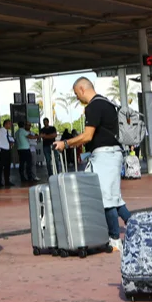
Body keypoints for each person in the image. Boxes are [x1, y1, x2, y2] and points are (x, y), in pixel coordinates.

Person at [54, 78, 132, 251]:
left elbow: (87, 136)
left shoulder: (94, 106)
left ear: (82, 89)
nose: (77, 97)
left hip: (105, 156)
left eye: (76, 94)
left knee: (106, 199)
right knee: (115, 197)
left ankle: (114, 239)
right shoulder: (107, 103)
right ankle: (137, 227)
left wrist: (65, 143)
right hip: (113, 154)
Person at [0, 119, 13, 188]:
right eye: (9, 124)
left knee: (7, 167)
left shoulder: (9, 132)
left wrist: (11, 145)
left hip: (8, 150)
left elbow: (9, 140)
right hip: (2, 150)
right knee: (0, 167)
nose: (10, 125)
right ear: (5, 124)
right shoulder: (0, 131)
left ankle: (7, 181)